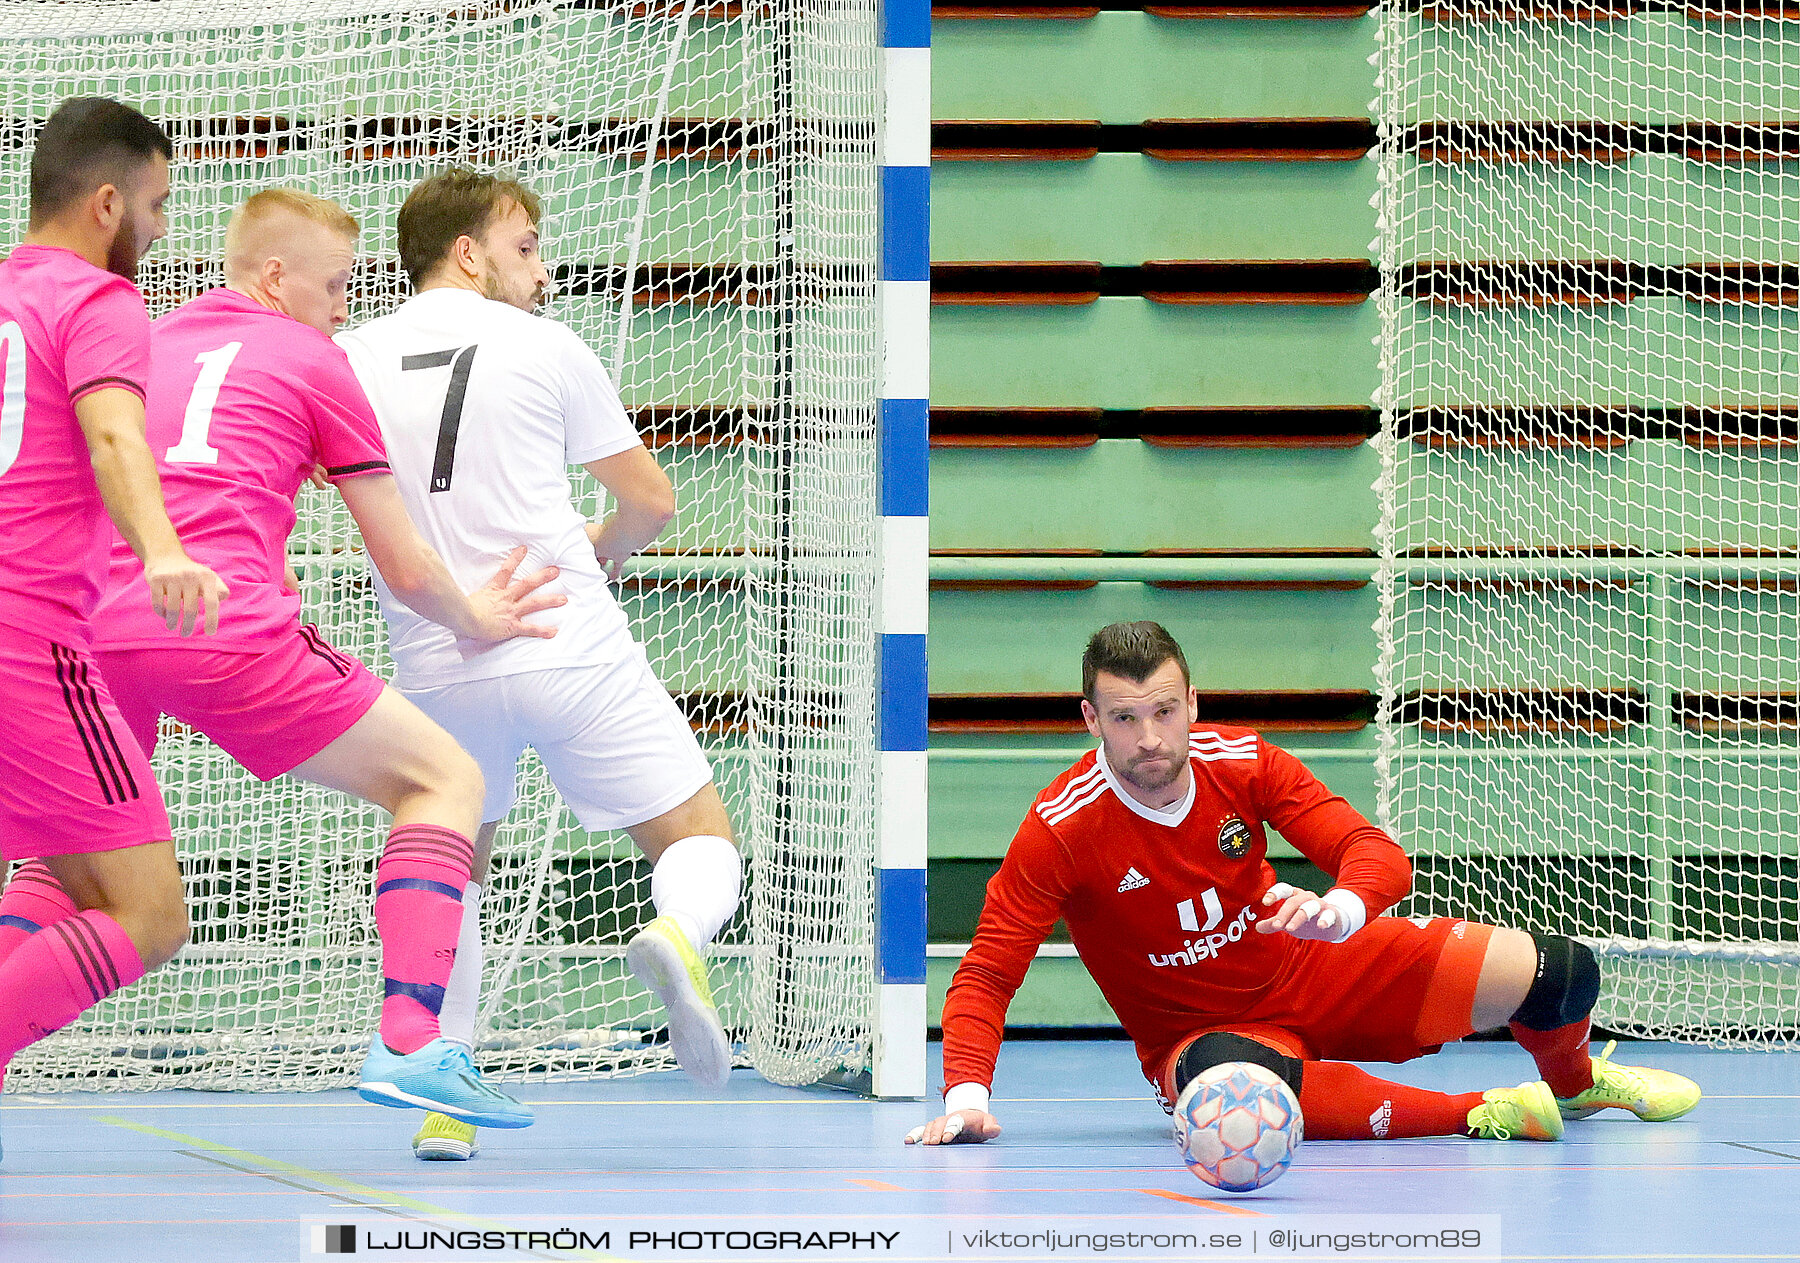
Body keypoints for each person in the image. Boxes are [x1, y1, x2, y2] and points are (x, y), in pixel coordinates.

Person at [1, 187, 564, 1132]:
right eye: (338, 285)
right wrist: (478, 616)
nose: (348, 306)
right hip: (223, 626)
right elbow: (403, 561)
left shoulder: (142, 337)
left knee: (72, 867)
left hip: (90, 631)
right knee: (445, 779)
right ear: (274, 277)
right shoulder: (317, 358)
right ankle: (411, 1041)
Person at [907, 620, 1701, 1150]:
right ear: (1089, 717)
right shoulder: (1061, 828)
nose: (1148, 739)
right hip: (1206, 1037)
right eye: (1123, 718)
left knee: (1558, 970)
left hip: (1316, 966)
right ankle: (1484, 1113)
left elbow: (1372, 849)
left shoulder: (1244, 762)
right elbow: (987, 972)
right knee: (1232, 1086)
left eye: (1162, 711)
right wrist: (966, 1095)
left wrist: (1341, 906)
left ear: (1193, 702)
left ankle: (1577, 1082)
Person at [336, 168, 744, 1162]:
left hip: (437, 657)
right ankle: (680, 934)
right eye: (523, 246)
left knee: (453, 863)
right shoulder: (548, 346)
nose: (541, 268)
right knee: (699, 836)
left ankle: (447, 1088)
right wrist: (601, 547)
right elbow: (652, 500)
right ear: (466, 253)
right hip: (564, 636)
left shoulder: (347, 357)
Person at [0, 97, 228, 1158]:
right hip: (33, 641)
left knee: (62, 884)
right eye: (157, 205)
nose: (162, 228)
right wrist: (166, 548)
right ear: (105, 204)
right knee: (150, 914)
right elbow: (110, 435)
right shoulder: (97, 301)